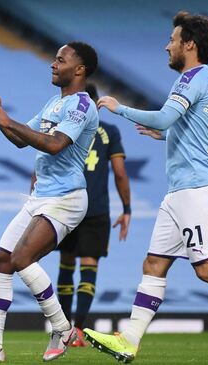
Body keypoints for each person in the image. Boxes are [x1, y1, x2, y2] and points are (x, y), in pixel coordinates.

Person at [83, 11, 208, 365]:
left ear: (189, 45)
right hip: (181, 191)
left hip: (195, 190)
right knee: (154, 263)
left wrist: (121, 109)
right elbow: (203, 131)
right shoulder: (206, 82)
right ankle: (129, 340)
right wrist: (166, 133)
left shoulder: (193, 79)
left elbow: (165, 115)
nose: (167, 46)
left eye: (173, 39)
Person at [0, 41, 99, 362]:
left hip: (66, 197)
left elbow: (54, 144)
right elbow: (22, 140)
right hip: (42, 196)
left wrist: (7, 120)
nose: (53, 64)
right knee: (1, 262)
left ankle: (62, 327)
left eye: (60, 60)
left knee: (21, 258)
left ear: (79, 70)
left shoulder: (82, 105)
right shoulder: (54, 103)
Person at [55, 83, 131, 347]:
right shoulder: (109, 132)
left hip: (67, 203)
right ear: (98, 103)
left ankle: (62, 330)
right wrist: (127, 209)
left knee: (66, 266)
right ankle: (78, 330)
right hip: (96, 209)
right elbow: (120, 173)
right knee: (89, 268)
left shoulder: (66, 127)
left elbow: (46, 158)